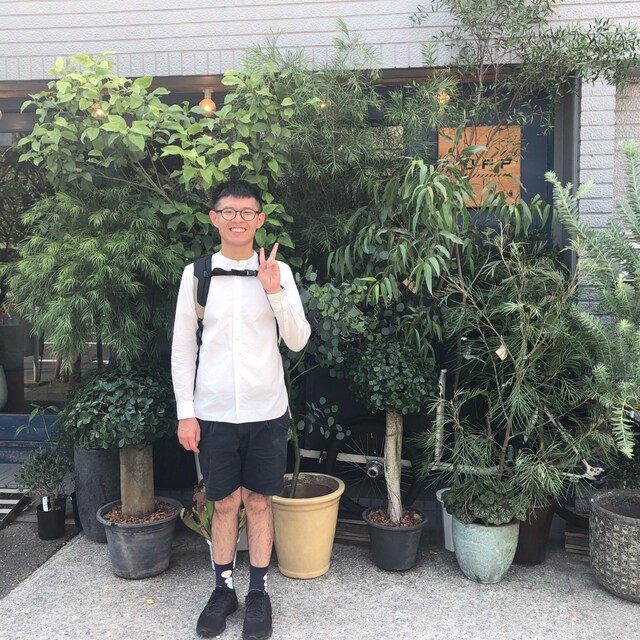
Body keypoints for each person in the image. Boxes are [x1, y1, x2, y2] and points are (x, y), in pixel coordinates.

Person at [171, 179, 310, 640]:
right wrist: (186, 412)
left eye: (246, 212)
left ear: (259, 220)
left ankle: (259, 592)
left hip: (266, 411)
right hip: (213, 413)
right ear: (214, 218)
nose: (237, 219)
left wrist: (274, 290)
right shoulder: (197, 275)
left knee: (260, 501)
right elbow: (183, 347)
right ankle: (223, 589)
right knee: (225, 502)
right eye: (228, 211)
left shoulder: (278, 271)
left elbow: (298, 340)